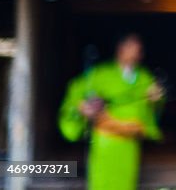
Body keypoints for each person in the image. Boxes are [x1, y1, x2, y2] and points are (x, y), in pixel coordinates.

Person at [58, 33, 164, 190]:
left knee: (126, 182)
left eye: (139, 49)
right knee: (102, 181)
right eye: (133, 47)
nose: (138, 53)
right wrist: (83, 108)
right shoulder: (100, 74)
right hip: (105, 139)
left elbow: (155, 107)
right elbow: (77, 94)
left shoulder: (144, 77)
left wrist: (156, 99)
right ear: (121, 49)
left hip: (130, 140)